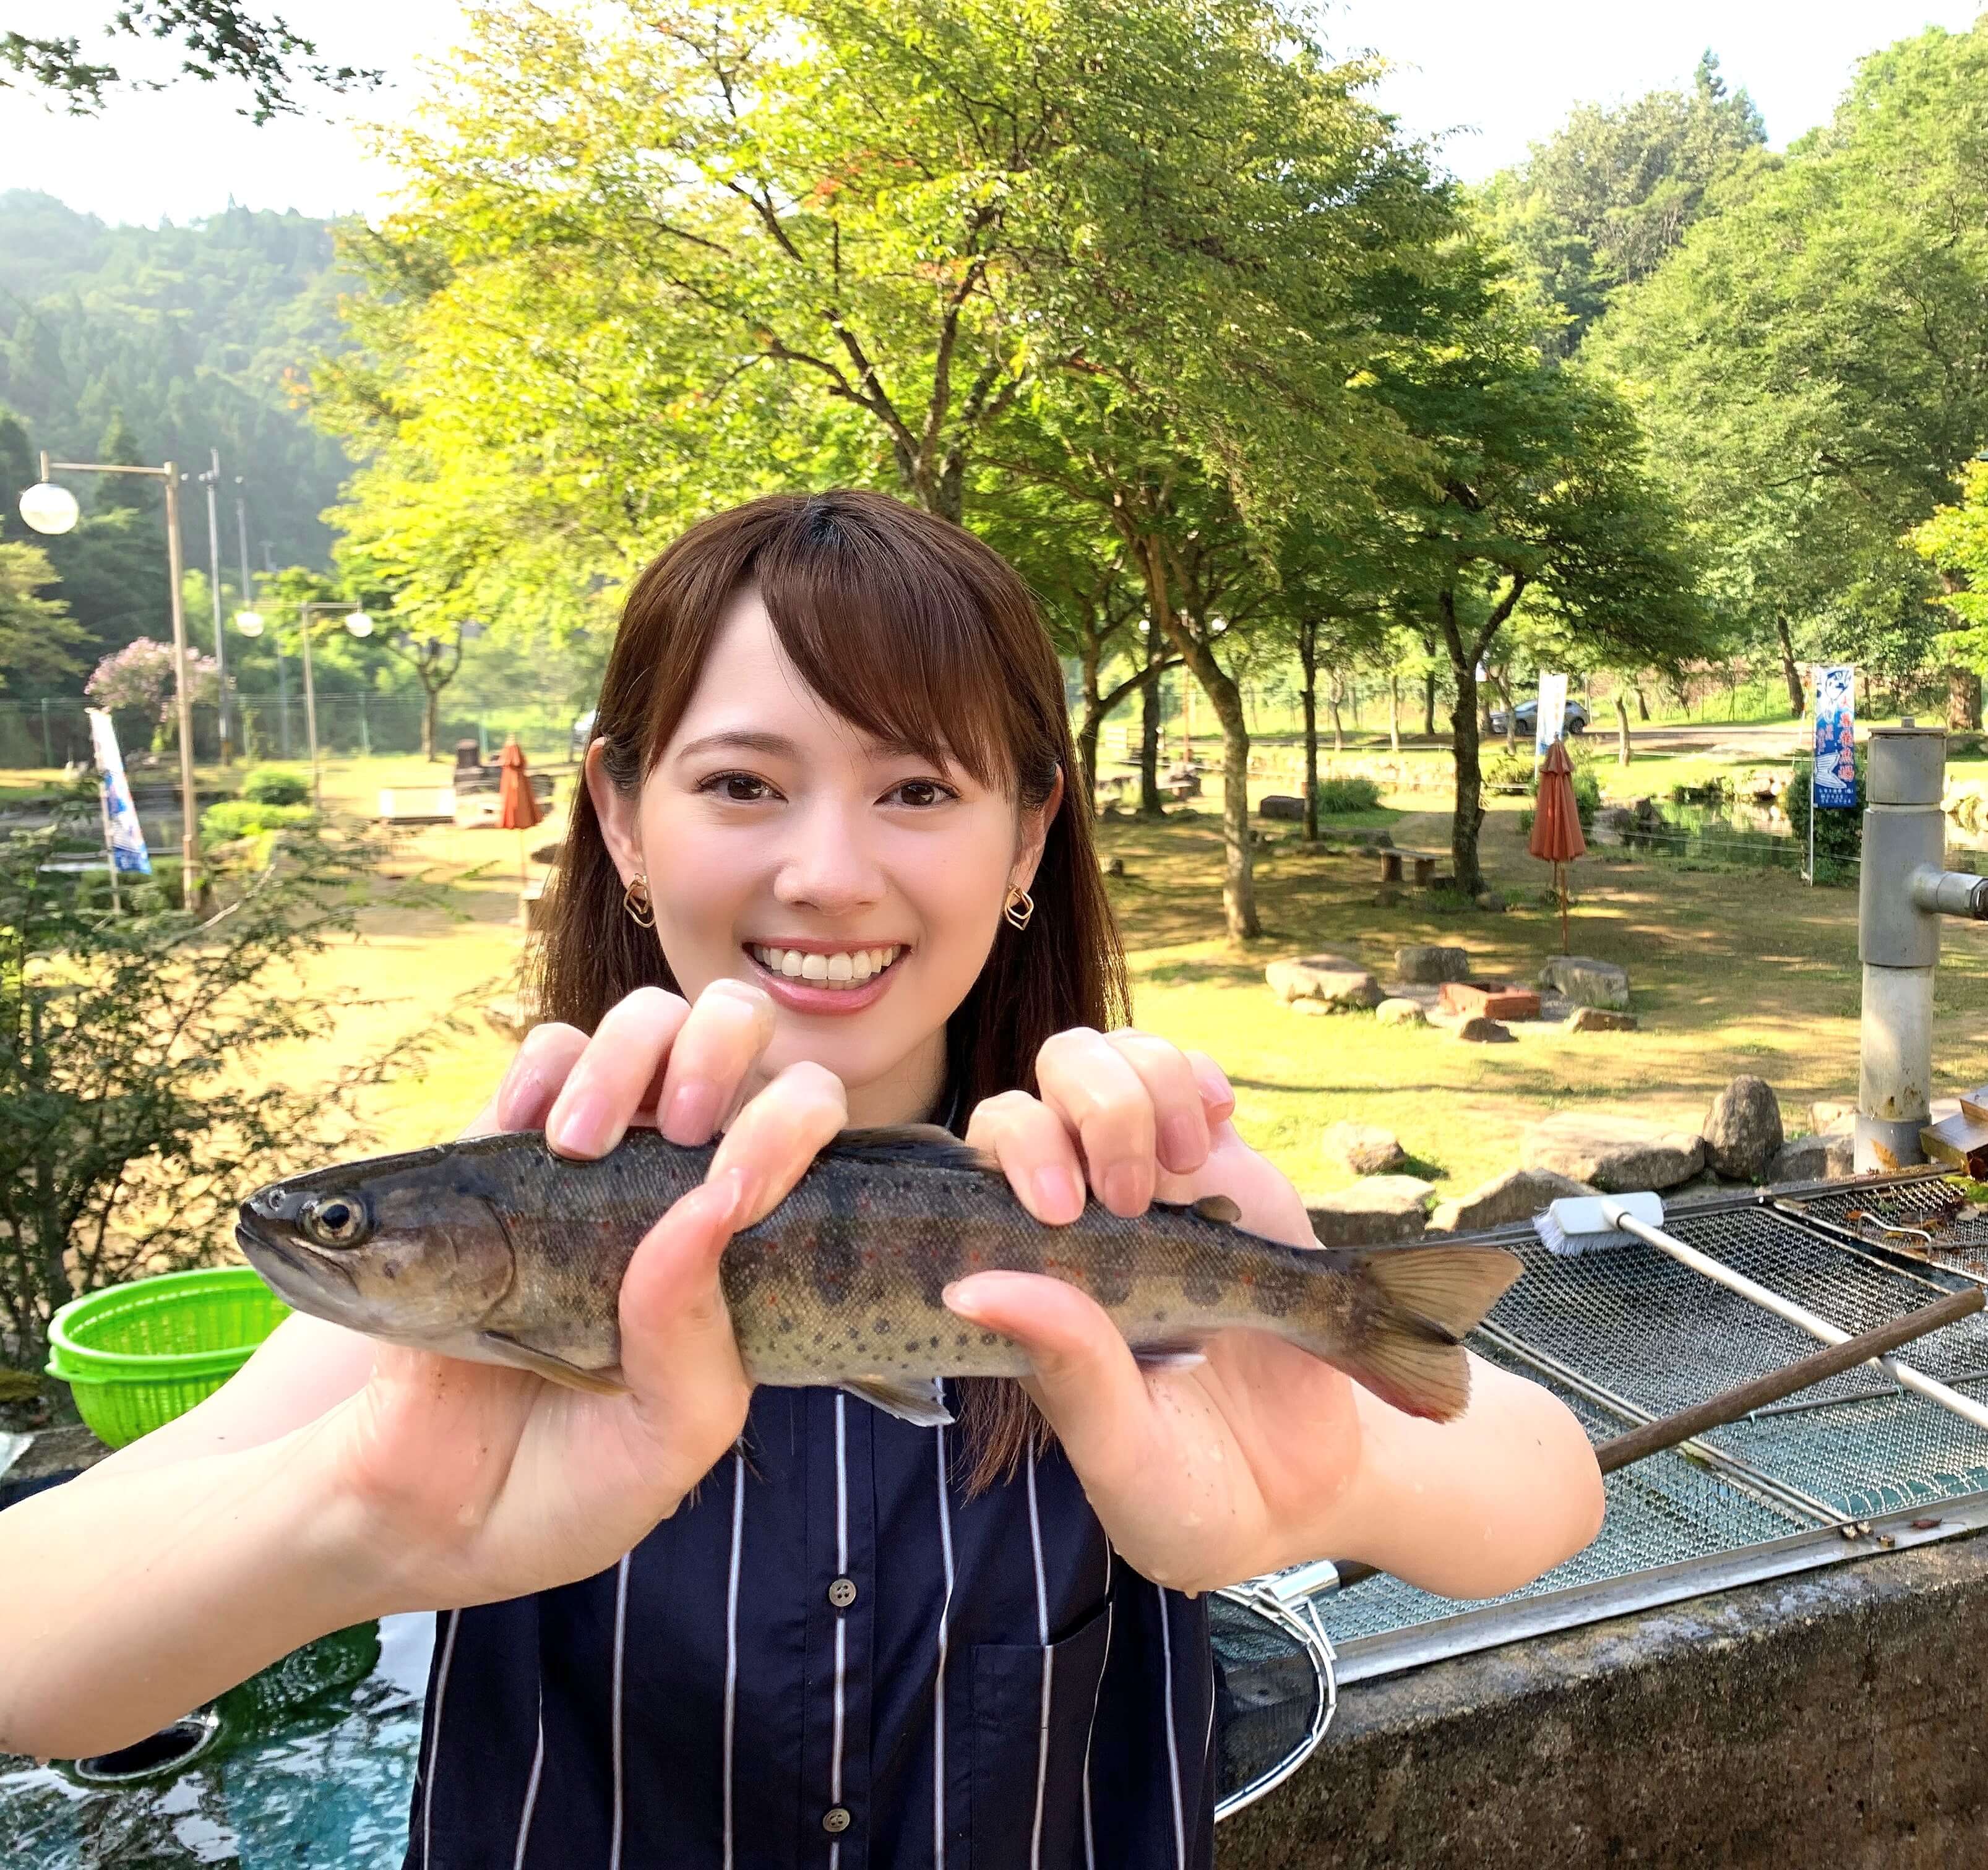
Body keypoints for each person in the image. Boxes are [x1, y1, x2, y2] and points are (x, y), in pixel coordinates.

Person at [0, 491, 1603, 1867]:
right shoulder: (470, 1268)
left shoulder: (1118, 1209)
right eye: (743, 784)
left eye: (918, 789)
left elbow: (1549, 1493)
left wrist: (1326, 1475)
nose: (829, 872)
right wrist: (361, 1514)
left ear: (1031, 834)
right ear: (620, 816)